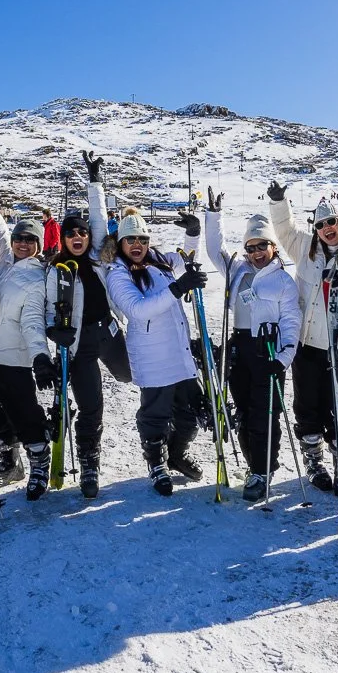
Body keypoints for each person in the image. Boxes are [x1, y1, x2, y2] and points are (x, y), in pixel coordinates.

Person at [267, 182, 338, 493]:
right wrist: (279, 201)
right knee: (307, 405)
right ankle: (314, 460)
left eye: (332, 222)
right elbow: (284, 230)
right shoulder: (306, 249)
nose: (327, 228)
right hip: (309, 345)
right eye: (321, 224)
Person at [199, 189, 301, 502]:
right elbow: (216, 251)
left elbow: (291, 323)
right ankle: (254, 464)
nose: (257, 252)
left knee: (264, 412)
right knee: (242, 411)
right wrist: (213, 216)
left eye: (262, 246)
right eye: (251, 247)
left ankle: (263, 469)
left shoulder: (283, 281)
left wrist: (283, 359)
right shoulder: (238, 270)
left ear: (273, 247)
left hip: (268, 350)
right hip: (240, 346)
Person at [103, 207, 209, 496]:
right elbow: (138, 310)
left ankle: (176, 453)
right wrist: (177, 288)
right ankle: (156, 463)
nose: (137, 245)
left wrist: (192, 234)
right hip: (152, 355)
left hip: (179, 349)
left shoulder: (159, 261)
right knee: (156, 414)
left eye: (142, 239)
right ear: (121, 243)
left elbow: (186, 260)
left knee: (189, 413)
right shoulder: (117, 273)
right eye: (131, 240)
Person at [42, 151, 128, 498]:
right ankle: (90, 463)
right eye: (70, 234)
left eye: (82, 232)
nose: (78, 236)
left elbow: (98, 217)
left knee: (137, 373)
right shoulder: (56, 271)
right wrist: (53, 329)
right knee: (91, 406)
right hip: (78, 346)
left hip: (108, 333)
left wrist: (95, 181)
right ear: (62, 239)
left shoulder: (96, 258)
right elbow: (48, 310)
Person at [0, 172, 54, 499]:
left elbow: (33, 322)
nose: (22, 244)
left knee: (24, 412)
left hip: (14, 360)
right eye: (20, 238)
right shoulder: (5, 260)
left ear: (38, 246)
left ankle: (39, 462)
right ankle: (9, 462)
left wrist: (40, 356)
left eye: (29, 241)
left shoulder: (36, 279)